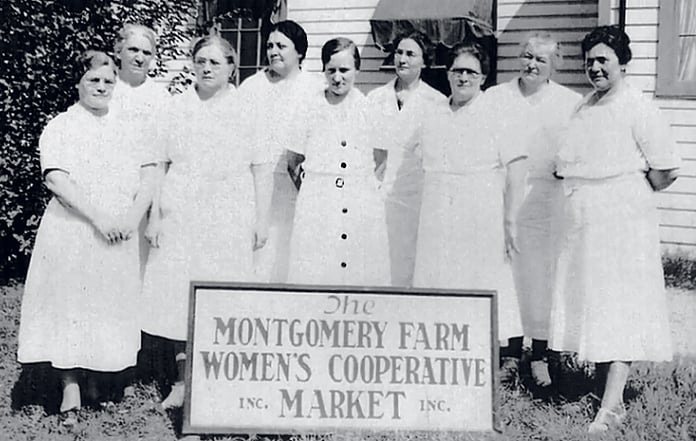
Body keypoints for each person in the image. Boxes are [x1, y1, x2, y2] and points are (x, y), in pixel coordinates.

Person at [549, 25, 681, 433]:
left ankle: (612, 407)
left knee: (619, 307)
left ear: (623, 63)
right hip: (585, 221)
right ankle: (603, 394)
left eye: (603, 60)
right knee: (597, 306)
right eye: (589, 61)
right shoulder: (585, 105)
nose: (595, 68)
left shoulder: (638, 106)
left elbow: (666, 169)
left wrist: (628, 195)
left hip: (622, 222)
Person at [16, 51, 157, 419]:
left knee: (107, 305)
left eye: (108, 81)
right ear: (78, 83)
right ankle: (70, 385)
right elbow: (56, 179)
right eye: (94, 80)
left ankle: (98, 378)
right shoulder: (61, 126)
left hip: (119, 232)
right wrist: (99, 219)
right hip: (74, 228)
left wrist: (130, 217)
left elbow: (148, 178)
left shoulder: (130, 126)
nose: (101, 87)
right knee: (70, 305)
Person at [141, 35, 273, 409]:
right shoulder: (176, 106)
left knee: (221, 292)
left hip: (229, 208)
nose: (207, 68)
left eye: (216, 62)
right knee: (179, 294)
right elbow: (160, 163)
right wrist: (154, 216)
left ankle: (218, 382)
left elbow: (262, 169)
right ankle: (183, 383)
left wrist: (262, 220)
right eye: (201, 60)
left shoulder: (249, 109)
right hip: (181, 209)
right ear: (192, 64)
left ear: (232, 67)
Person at [411, 42, 526, 379]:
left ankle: (485, 357)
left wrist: (510, 220)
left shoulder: (496, 113)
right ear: (447, 74)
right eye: (457, 70)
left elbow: (517, 168)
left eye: (470, 72)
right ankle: (438, 354)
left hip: (479, 209)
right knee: (437, 275)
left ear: (483, 77)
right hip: (436, 208)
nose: (463, 77)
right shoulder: (433, 113)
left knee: (479, 277)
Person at [485, 33, 582, 386]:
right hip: (502, 194)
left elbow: (577, 151)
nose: (532, 64)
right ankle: (509, 353)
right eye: (527, 56)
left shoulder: (571, 103)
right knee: (506, 274)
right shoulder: (495, 97)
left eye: (541, 59)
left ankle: (540, 353)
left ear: (555, 64)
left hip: (546, 198)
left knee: (542, 277)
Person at [286, 37, 390, 286]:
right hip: (318, 202)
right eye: (331, 70)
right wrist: (318, 190)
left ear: (357, 70)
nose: (337, 77)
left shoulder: (369, 108)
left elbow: (380, 157)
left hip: (360, 199)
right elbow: (293, 162)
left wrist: (359, 187)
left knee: (358, 267)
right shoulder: (308, 108)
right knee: (318, 266)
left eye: (344, 70)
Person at [238, 20, 325, 283]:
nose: (273, 51)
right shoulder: (252, 86)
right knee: (261, 256)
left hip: (300, 185)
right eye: (270, 46)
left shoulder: (316, 88)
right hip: (260, 185)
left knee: (295, 254)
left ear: (299, 51)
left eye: (281, 46)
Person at [367, 31, 446, 287]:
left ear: (425, 61)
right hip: (379, 195)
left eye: (410, 54)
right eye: (399, 52)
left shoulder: (437, 102)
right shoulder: (374, 99)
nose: (402, 59)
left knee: (411, 268)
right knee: (378, 264)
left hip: (417, 199)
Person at [111, 23, 171, 277]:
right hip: (108, 189)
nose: (139, 57)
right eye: (133, 49)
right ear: (118, 51)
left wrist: (155, 214)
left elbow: (162, 160)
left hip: (144, 195)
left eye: (146, 53)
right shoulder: (104, 87)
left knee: (136, 271)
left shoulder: (161, 98)